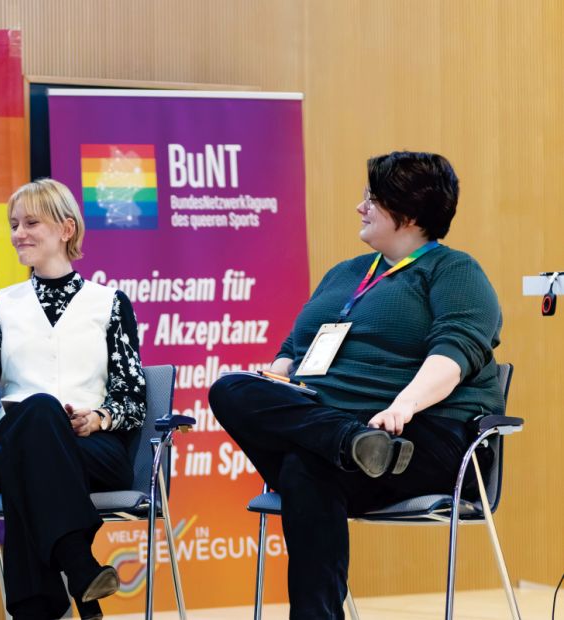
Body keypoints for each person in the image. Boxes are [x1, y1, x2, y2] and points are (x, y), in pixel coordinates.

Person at [208, 151, 503, 619]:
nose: (360, 208)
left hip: (418, 438)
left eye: (371, 199)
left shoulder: (453, 271)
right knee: (229, 389)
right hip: (344, 437)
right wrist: (276, 376)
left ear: (407, 214)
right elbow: (295, 349)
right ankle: (350, 444)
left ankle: (351, 446)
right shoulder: (345, 273)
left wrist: (401, 408)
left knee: (304, 468)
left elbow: (454, 354)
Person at [0, 178, 147, 620]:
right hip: (6, 447)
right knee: (38, 412)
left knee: (33, 461)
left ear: (65, 229)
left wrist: (97, 417)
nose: (18, 233)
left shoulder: (109, 303)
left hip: (89, 448)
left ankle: (49, 600)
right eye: (13, 224)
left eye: (31, 222)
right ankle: (80, 568)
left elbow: (132, 397)